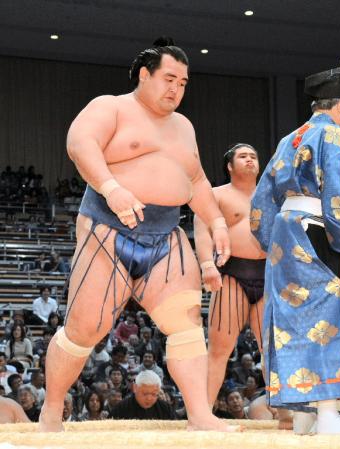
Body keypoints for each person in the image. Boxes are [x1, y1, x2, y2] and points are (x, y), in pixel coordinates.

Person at [39, 37, 232, 432]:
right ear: (145, 75)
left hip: (166, 232)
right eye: (169, 78)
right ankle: (52, 410)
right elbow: (80, 144)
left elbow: (195, 180)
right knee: (84, 328)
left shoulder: (184, 127)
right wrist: (111, 186)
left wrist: (217, 224)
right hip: (108, 227)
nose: (176, 88)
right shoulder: (111, 106)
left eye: (183, 82)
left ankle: (199, 415)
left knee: (186, 322)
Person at [251, 68, 340, 435]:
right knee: (327, 314)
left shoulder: (290, 139)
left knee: (293, 319)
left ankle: (305, 416)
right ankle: (328, 414)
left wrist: (276, 239)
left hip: (287, 232)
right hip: (317, 231)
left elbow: (262, 201)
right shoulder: (335, 136)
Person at [194, 143, 265, 401]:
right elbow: (202, 232)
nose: (249, 160)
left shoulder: (272, 196)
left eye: (253, 156)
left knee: (274, 348)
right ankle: (203, 412)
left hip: (269, 274)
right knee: (219, 350)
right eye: (243, 156)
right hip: (232, 273)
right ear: (229, 166)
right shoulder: (216, 195)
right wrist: (206, 265)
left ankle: (285, 414)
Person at [109, 370, 176, 420]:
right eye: (145, 393)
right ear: (135, 388)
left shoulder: (165, 409)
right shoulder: (121, 408)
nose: (149, 398)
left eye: (154, 394)